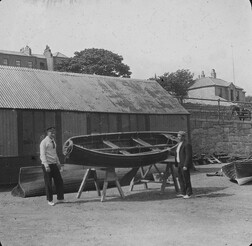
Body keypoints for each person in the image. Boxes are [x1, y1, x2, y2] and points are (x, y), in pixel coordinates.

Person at [40, 127, 64, 206]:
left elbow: (54, 153)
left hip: (54, 164)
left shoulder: (53, 141)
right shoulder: (44, 142)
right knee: (48, 183)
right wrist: (46, 166)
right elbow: (42, 155)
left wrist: (58, 163)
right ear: (47, 132)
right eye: (51, 132)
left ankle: (60, 198)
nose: (53, 133)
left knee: (59, 181)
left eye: (54, 131)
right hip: (47, 165)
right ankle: (50, 200)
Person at [174, 131, 193, 199]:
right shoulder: (179, 144)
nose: (178, 137)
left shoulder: (187, 144)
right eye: (178, 136)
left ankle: (189, 193)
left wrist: (186, 165)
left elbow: (188, 156)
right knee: (180, 179)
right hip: (179, 164)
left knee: (186, 179)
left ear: (183, 137)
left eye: (179, 136)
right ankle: (183, 192)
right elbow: (177, 153)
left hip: (184, 165)